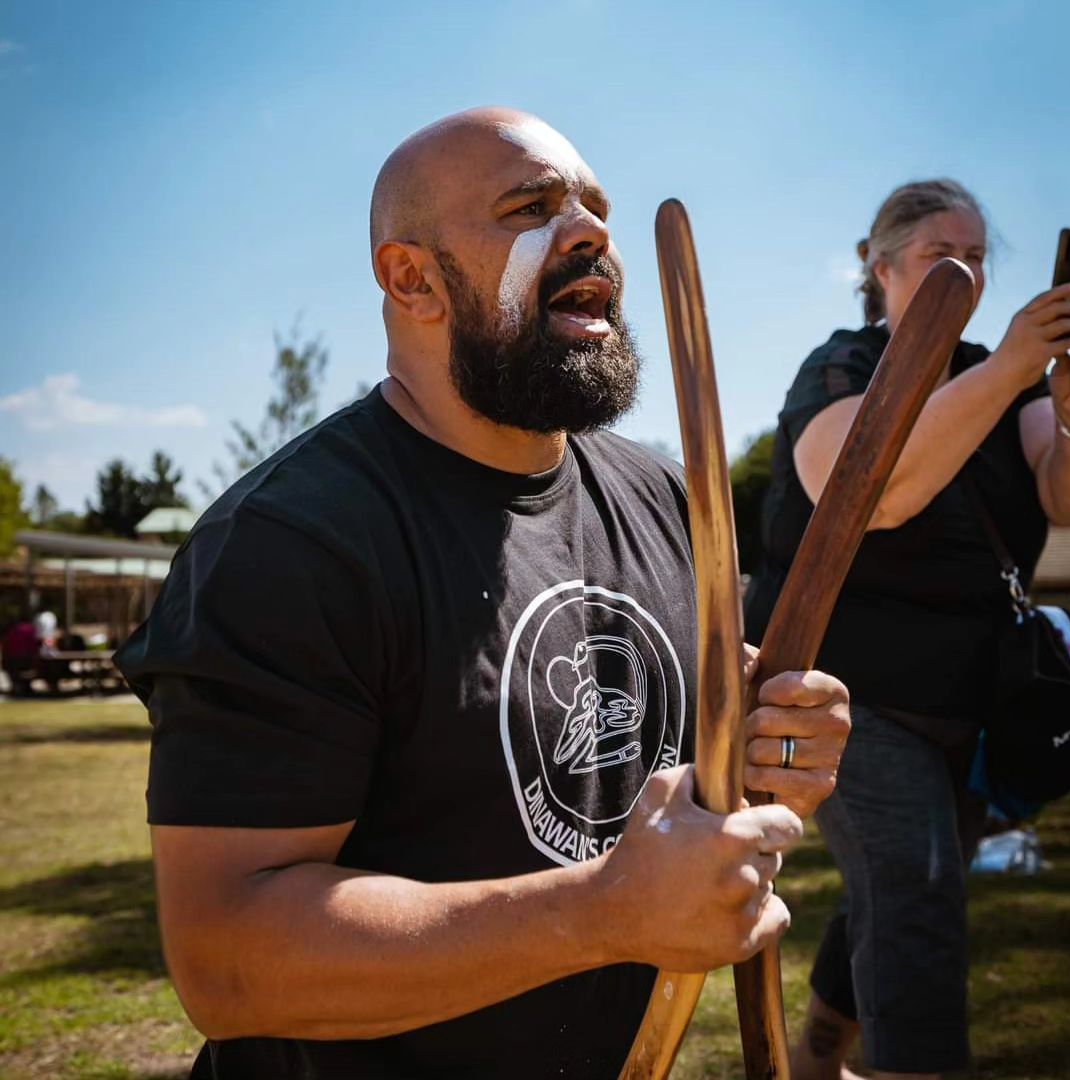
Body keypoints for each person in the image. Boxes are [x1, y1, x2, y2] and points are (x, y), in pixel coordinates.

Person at [117, 107, 852, 1080]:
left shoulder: (662, 496)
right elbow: (226, 960)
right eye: (531, 205)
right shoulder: (294, 541)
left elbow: (653, 779)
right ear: (411, 277)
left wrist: (762, 745)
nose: (589, 230)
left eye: (595, 206)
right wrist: (604, 914)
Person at [744, 179, 1070, 1080]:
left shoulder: (1011, 379)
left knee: (891, 899)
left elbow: (1065, 497)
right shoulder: (845, 366)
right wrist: (1009, 368)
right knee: (918, 896)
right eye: (943, 256)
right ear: (881, 267)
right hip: (848, 694)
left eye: (976, 257)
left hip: (971, 703)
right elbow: (865, 495)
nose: (965, 272)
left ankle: (816, 1064)